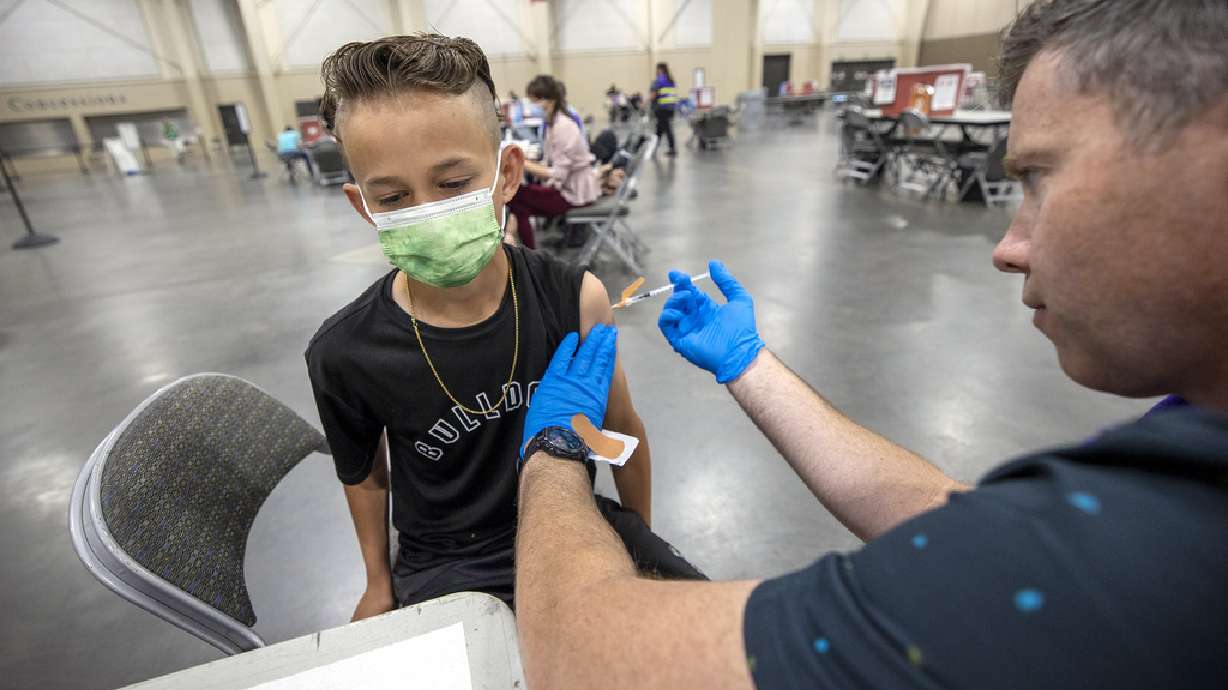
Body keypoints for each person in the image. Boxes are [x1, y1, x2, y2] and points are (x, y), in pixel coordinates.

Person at [512, 1, 1228, 688]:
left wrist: (552, 450)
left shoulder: (1151, 556)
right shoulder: (1187, 439)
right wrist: (749, 364)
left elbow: (581, 655)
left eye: (1037, 177)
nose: (1008, 247)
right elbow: (950, 516)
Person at [305, 34, 701, 622]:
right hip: (447, 564)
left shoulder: (574, 299)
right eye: (392, 197)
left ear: (507, 174)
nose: (428, 212)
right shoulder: (345, 352)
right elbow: (366, 478)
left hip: (572, 524)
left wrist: (639, 542)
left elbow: (621, 429)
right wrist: (377, 582)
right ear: (363, 205)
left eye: (453, 184)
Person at [506, 75, 600, 249]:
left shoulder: (563, 126)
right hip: (569, 187)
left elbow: (558, 174)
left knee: (516, 197)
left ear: (551, 101)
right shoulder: (553, 123)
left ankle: (530, 253)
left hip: (574, 193)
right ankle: (530, 254)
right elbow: (551, 162)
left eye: (535, 101)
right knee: (518, 202)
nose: (532, 106)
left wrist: (524, 163)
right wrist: (528, 162)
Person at [650, 62, 678, 157]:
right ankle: (653, 149)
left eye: (657, 69)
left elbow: (653, 96)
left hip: (661, 109)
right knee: (660, 129)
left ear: (660, 69)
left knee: (665, 129)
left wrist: (646, 103)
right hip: (670, 109)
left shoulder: (658, 81)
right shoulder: (671, 81)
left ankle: (671, 149)